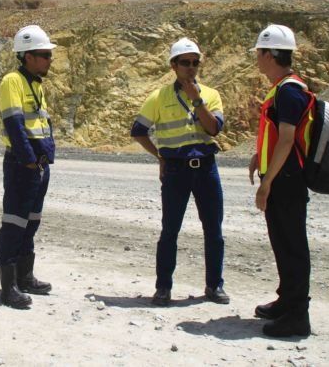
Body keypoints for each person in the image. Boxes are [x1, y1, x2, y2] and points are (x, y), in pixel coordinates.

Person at [131, 37, 229, 306]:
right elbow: (138, 131)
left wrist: (197, 101)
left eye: (195, 63)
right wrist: (160, 155)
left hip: (206, 169)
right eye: (185, 63)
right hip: (175, 171)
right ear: (173, 65)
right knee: (170, 230)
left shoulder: (211, 95)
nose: (191, 68)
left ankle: (214, 285)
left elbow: (213, 129)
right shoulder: (159, 97)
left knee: (214, 230)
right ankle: (163, 288)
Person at [248, 24, 312, 337]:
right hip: (282, 177)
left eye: (258, 54)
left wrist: (266, 183)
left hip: (286, 181)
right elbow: (276, 136)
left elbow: (287, 140)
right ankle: (286, 301)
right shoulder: (283, 87)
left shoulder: (289, 90)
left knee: (293, 246)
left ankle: (298, 315)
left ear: (270, 54)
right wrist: (256, 158)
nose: (256, 60)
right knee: (283, 243)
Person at [0, 24, 56, 309]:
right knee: (14, 223)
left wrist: (45, 157)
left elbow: (42, 123)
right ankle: (8, 289)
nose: (49, 60)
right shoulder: (13, 81)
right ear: (27, 55)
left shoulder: (36, 84)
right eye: (45, 55)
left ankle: (25, 277)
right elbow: (14, 124)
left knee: (30, 222)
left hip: (38, 166)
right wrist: (29, 159)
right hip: (23, 165)